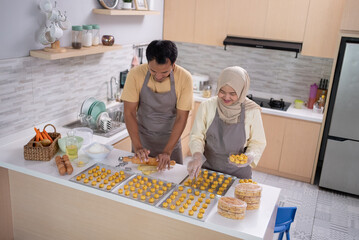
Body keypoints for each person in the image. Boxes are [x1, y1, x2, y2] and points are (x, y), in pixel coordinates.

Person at [121, 40, 193, 171]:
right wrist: (137, 147)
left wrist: (167, 151)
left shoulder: (184, 78)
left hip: (170, 142)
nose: (158, 76)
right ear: (148, 63)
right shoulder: (135, 74)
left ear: (173, 63)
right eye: (153, 71)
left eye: (165, 72)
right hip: (141, 142)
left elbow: (182, 117)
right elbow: (129, 112)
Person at [187, 66, 266, 179]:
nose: (226, 97)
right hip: (208, 170)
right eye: (222, 92)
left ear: (242, 91)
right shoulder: (207, 106)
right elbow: (197, 136)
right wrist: (197, 156)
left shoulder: (252, 111)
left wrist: (250, 155)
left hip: (239, 174)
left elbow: (257, 142)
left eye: (233, 93)